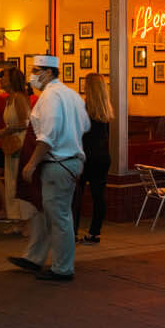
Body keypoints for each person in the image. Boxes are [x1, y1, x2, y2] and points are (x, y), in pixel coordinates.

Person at [8, 54, 89, 281]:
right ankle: (34, 257)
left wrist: (32, 163)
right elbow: (84, 125)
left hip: (57, 163)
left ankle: (63, 268)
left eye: (36, 70)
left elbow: (47, 136)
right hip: (70, 161)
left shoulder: (51, 97)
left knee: (59, 217)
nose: (33, 75)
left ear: (49, 72)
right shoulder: (71, 95)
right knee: (47, 213)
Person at [0, 67, 37, 229]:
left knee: (18, 183)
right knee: (10, 182)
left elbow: (24, 122)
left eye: (4, 77)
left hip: (20, 144)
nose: (1, 79)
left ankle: (26, 223)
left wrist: (1, 132)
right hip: (11, 145)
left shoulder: (18, 98)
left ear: (12, 80)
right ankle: (17, 220)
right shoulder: (9, 99)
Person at [75, 72, 114, 243]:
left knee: (76, 195)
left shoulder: (84, 108)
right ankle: (95, 233)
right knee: (99, 196)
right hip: (102, 157)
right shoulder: (106, 109)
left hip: (85, 156)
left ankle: (73, 232)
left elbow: (79, 133)